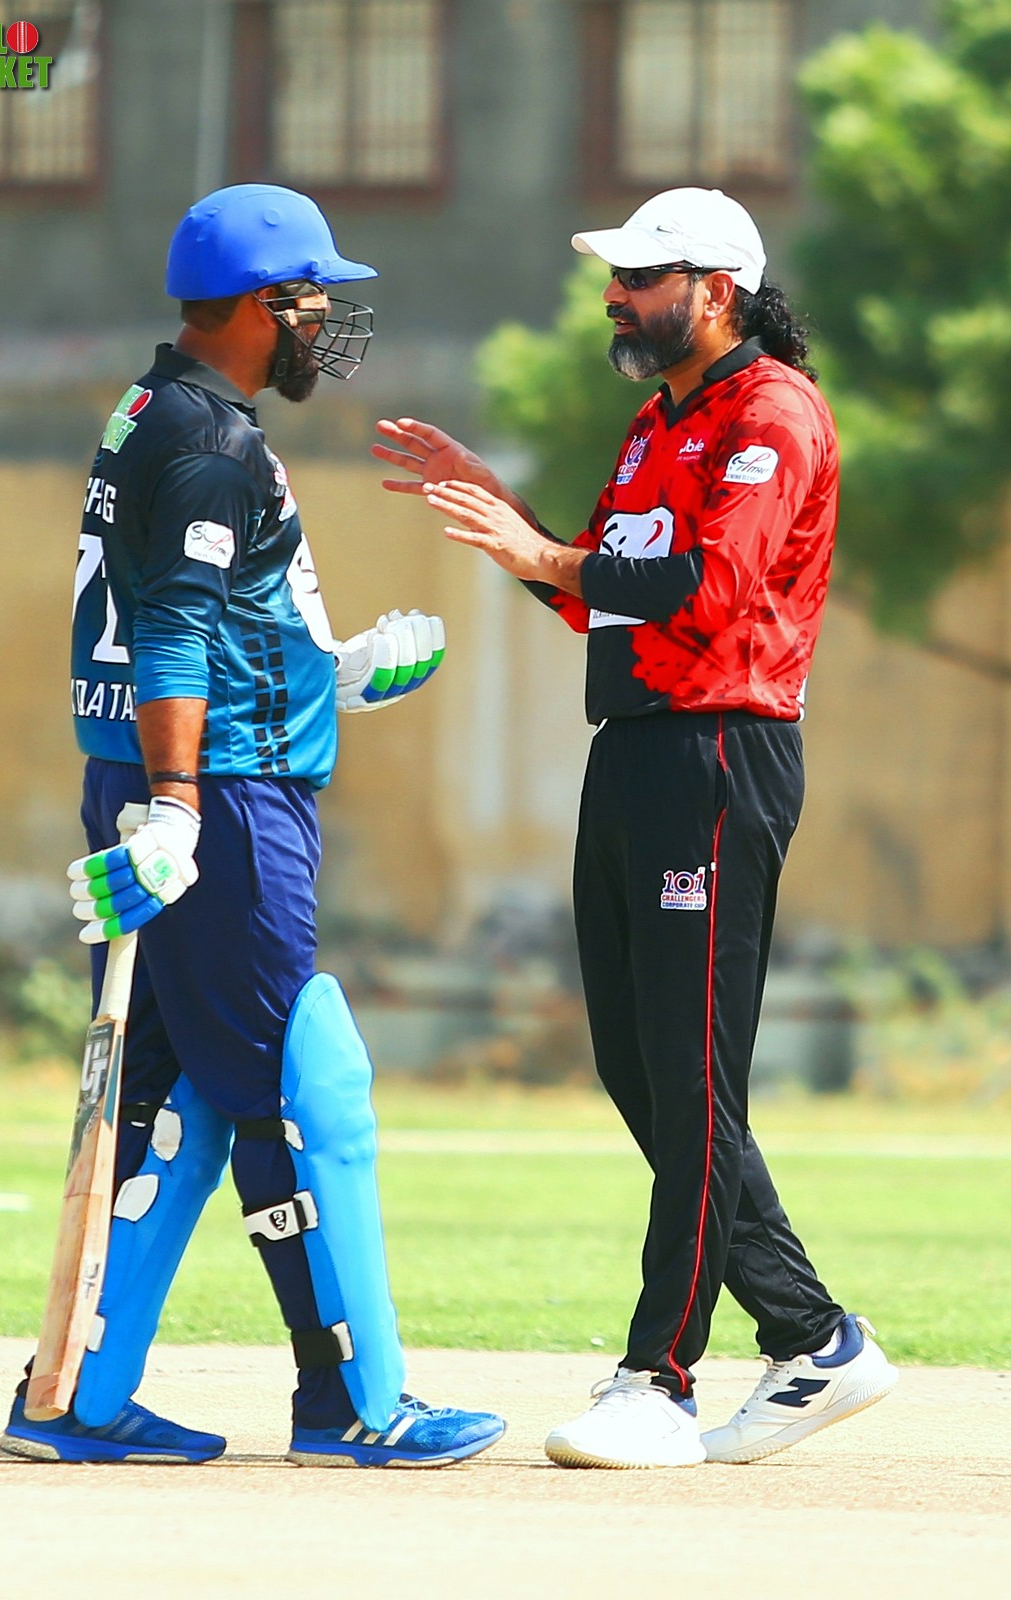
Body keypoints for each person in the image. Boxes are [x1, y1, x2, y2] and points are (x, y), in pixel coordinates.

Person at [372, 187, 896, 1470]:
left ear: (713, 291)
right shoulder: (657, 421)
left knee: (692, 1071)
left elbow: (709, 590)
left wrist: (543, 555)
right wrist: (514, 527)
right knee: (640, 1066)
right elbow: (601, 601)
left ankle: (655, 1377)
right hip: (635, 753)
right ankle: (812, 1336)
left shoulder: (771, 412)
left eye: (639, 278)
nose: (613, 296)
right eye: (615, 277)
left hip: (717, 755)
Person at [0, 183, 505, 1468]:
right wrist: (176, 805)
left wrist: (327, 673)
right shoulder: (213, 443)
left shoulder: (153, 407)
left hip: (168, 772)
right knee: (301, 1079)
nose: (326, 324)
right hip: (216, 796)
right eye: (312, 299)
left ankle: (75, 1392)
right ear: (256, 306)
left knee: (170, 1095)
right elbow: (172, 630)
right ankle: (357, 1402)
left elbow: (189, 611)